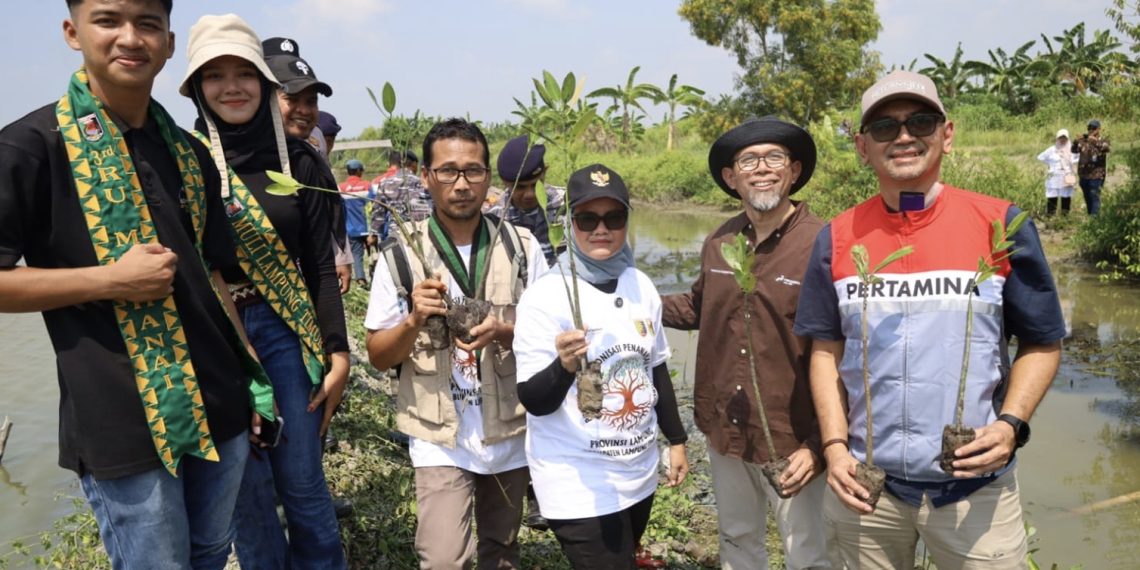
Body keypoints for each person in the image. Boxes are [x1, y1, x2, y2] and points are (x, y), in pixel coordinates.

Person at [0, 1, 269, 568]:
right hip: (122, 419)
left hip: (219, 404)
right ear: (73, 33)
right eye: (108, 20)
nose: (130, 37)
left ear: (169, 43)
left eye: (148, 23)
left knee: (211, 553)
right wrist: (109, 280)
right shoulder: (30, 147)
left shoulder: (190, 152)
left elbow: (213, 275)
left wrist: (253, 380)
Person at [793, 70, 1065, 569]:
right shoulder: (835, 238)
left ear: (947, 133)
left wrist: (1010, 426)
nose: (903, 136)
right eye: (883, 127)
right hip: (865, 488)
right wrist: (834, 448)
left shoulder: (1000, 224)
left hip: (976, 492)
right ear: (861, 146)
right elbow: (825, 351)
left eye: (920, 121)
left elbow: (1042, 341)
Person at [180, 14, 349, 568]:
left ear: (263, 82)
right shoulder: (183, 163)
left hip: (284, 331)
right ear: (197, 89)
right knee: (247, 497)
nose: (231, 87)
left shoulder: (301, 162)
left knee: (302, 483)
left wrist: (338, 353)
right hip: (218, 340)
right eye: (214, 75)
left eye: (243, 73)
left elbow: (322, 267)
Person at [364, 118, 548, 569]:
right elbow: (377, 355)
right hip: (438, 434)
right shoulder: (401, 256)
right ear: (426, 177)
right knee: (445, 558)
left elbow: (548, 336)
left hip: (507, 430)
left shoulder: (522, 247)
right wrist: (413, 318)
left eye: (473, 171)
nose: (461, 184)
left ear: (489, 177)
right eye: (447, 171)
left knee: (501, 551)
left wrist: (505, 329)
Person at [661, 117, 831, 569]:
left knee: (808, 553)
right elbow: (699, 307)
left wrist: (820, 443)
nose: (762, 169)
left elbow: (847, 353)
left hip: (794, 436)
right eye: (748, 160)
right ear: (731, 178)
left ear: (793, 171)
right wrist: (630, 302)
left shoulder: (822, 243)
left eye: (774, 157)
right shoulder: (721, 241)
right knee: (737, 540)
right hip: (726, 428)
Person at [512, 164, 689, 568]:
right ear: (569, 222)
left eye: (615, 217)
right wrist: (564, 365)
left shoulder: (639, 284)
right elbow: (534, 401)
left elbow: (655, 368)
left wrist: (676, 440)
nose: (601, 229)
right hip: (576, 478)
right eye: (587, 219)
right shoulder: (546, 297)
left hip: (637, 472)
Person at [262, 36, 353, 293]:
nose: (303, 110)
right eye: (291, 96)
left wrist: (340, 256)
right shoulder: (233, 153)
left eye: (311, 100)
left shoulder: (311, 149)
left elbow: (327, 204)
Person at [487, 135, 566, 265]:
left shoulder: (567, 205)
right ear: (504, 183)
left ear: (544, 172)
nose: (529, 194)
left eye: (536, 185)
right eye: (520, 187)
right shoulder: (495, 219)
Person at [370, 149, 433, 241]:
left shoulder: (385, 183)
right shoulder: (422, 183)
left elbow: (378, 214)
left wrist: (374, 234)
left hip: (396, 234)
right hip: (422, 233)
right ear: (414, 164)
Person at [340, 158, 372, 284]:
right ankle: (374, 278)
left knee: (357, 255)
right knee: (375, 254)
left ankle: (360, 280)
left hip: (351, 229)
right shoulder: (368, 186)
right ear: (359, 171)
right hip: (369, 229)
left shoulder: (340, 187)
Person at [1072, 119, 1111, 216]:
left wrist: (1095, 142)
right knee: (1087, 198)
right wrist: (1076, 142)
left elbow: (1106, 148)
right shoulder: (1083, 141)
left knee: (1094, 198)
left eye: (1093, 128)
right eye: (1089, 128)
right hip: (1084, 175)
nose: (1091, 130)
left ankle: (1094, 221)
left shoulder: (1103, 140)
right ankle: (1090, 219)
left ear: (1098, 129)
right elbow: (1074, 150)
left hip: (1096, 176)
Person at [1037, 129, 1079, 216]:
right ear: (1057, 138)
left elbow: (1077, 158)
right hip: (1054, 177)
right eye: (1060, 137)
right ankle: (1050, 216)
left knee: (1066, 196)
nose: (1062, 139)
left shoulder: (1072, 149)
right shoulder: (1052, 149)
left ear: (1067, 138)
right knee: (1052, 196)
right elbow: (1041, 157)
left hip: (1067, 176)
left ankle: (1065, 217)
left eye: (1064, 137)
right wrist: (1050, 165)